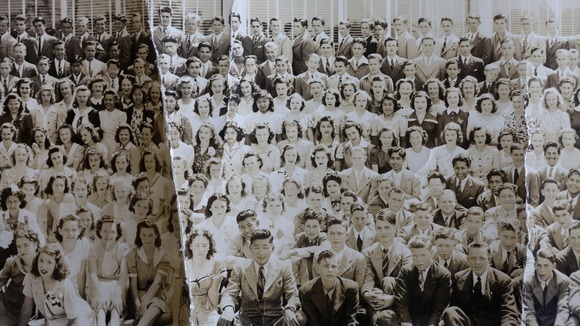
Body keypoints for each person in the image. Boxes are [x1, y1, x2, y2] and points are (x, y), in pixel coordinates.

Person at [218, 229, 301, 326]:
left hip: (276, 319)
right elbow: (230, 294)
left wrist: (289, 309)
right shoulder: (241, 267)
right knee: (224, 321)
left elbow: (292, 295)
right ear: (250, 248)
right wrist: (228, 308)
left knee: (299, 319)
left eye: (265, 247)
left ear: (272, 248)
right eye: (256, 247)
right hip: (247, 319)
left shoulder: (283, 267)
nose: (261, 253)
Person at [441, 241, 519, 326]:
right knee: (450, 311)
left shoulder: (502, 280)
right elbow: (455, 308)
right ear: (468, 259)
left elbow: (509, 312)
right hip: (468, 323)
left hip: (492, 324)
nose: (477, 262)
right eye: (473, 258)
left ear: (489, 259)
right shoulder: (459, 277)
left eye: (482, 258)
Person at [19, 242, 94, 325]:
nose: (44, 266)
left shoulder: (66, 285)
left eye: (49, 262)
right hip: (52, 321)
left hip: (78, 317)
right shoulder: (32, 277)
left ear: (56, 265)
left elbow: (74, 321)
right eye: (41, 261)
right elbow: (27, 306)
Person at [392, 235, 451, 326]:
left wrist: (432, 324)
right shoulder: (405, 271)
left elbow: (439, 308)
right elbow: (401, 300)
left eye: (423, 255)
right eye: (415, 256)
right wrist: (406, 322)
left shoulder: (443, 274)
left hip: (429, 319)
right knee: (385, 316)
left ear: (431, 253)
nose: (419, 260)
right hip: (410, 317)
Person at [298, 249, 359, 326]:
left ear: (338, 269)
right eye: (325, 266)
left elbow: (350, 321)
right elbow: (312, 323)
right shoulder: (306, 290)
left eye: (333, 266)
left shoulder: (351, 288)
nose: (330, 270)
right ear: (318, 269)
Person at [523, 248, 571, 326]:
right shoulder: (528, 282)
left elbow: (563, 309)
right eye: (539, 265)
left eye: (546, 266)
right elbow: (528, 311)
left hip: (556, 322)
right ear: (535, 265)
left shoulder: (563, 281)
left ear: (553, 266)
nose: (542, 270)